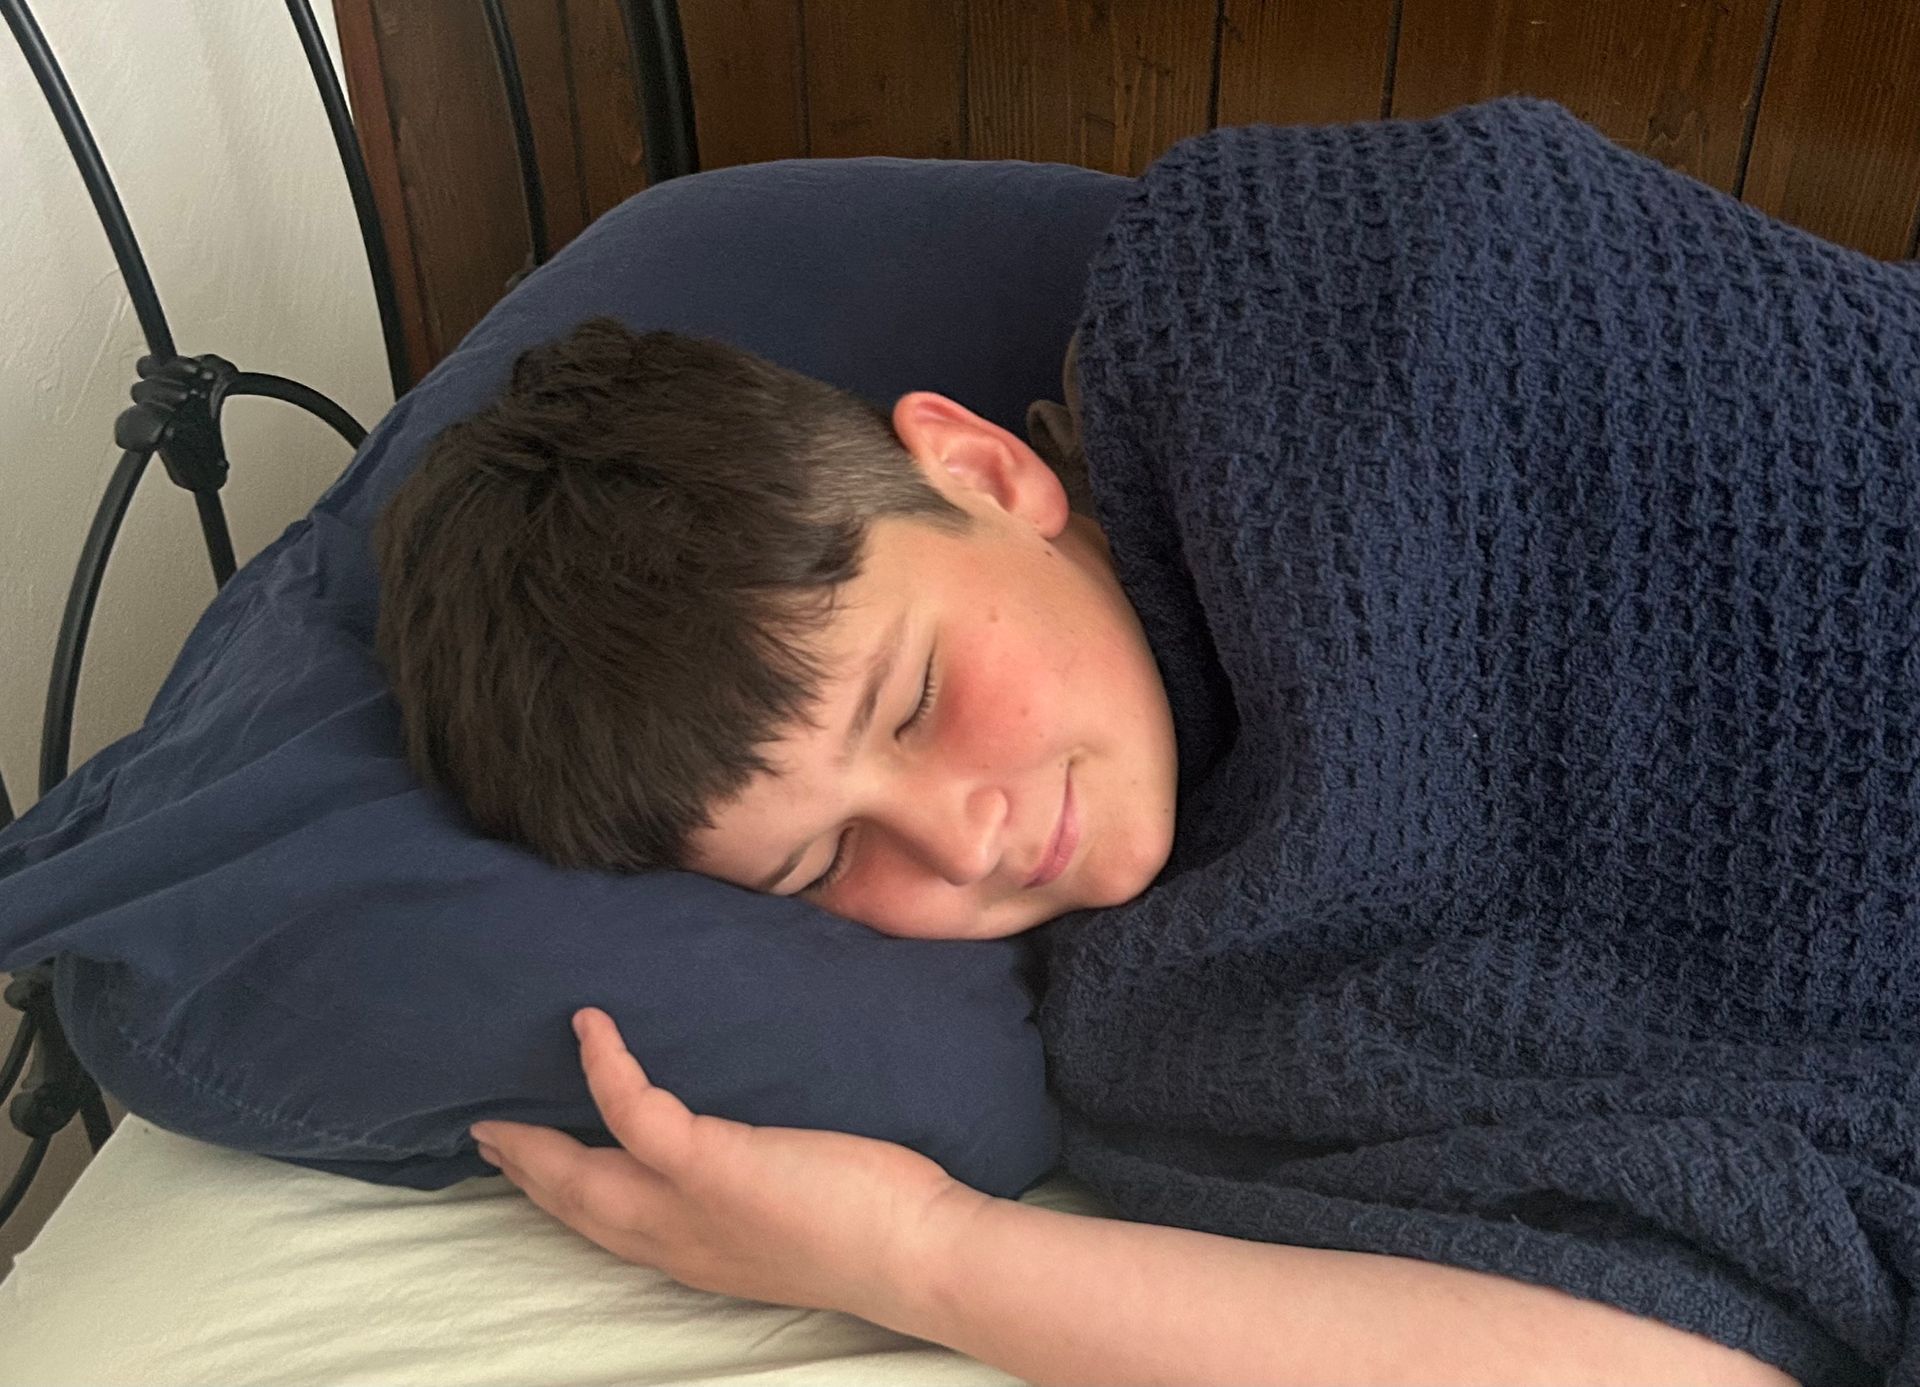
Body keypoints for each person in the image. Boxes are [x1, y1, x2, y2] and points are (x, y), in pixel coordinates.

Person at [373, 318, 1792, 1386]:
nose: (956, 841)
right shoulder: (1167, 1027)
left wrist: (918, 1260)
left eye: (913, 700)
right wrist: (911, 1251)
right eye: (820, 866)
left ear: (985, 471)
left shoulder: (1327, 340)